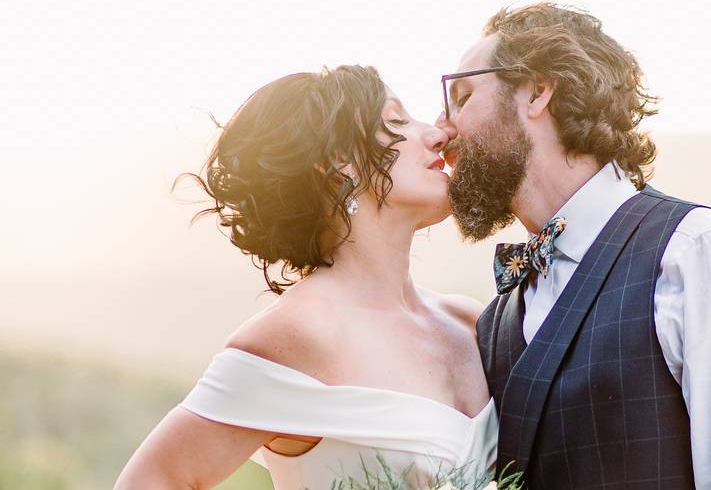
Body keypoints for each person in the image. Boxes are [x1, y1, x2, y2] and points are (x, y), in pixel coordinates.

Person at [435, 2, 711, 489]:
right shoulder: (496, 320)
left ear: (537, 90)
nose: (443, 126)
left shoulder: (700, 253)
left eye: (462, 97)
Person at [115, 66, 497, 490]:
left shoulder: (468, 321)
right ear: (338, 161)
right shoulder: (296, 334)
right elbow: (157, 478)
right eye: (395, 121)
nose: (437, 134)